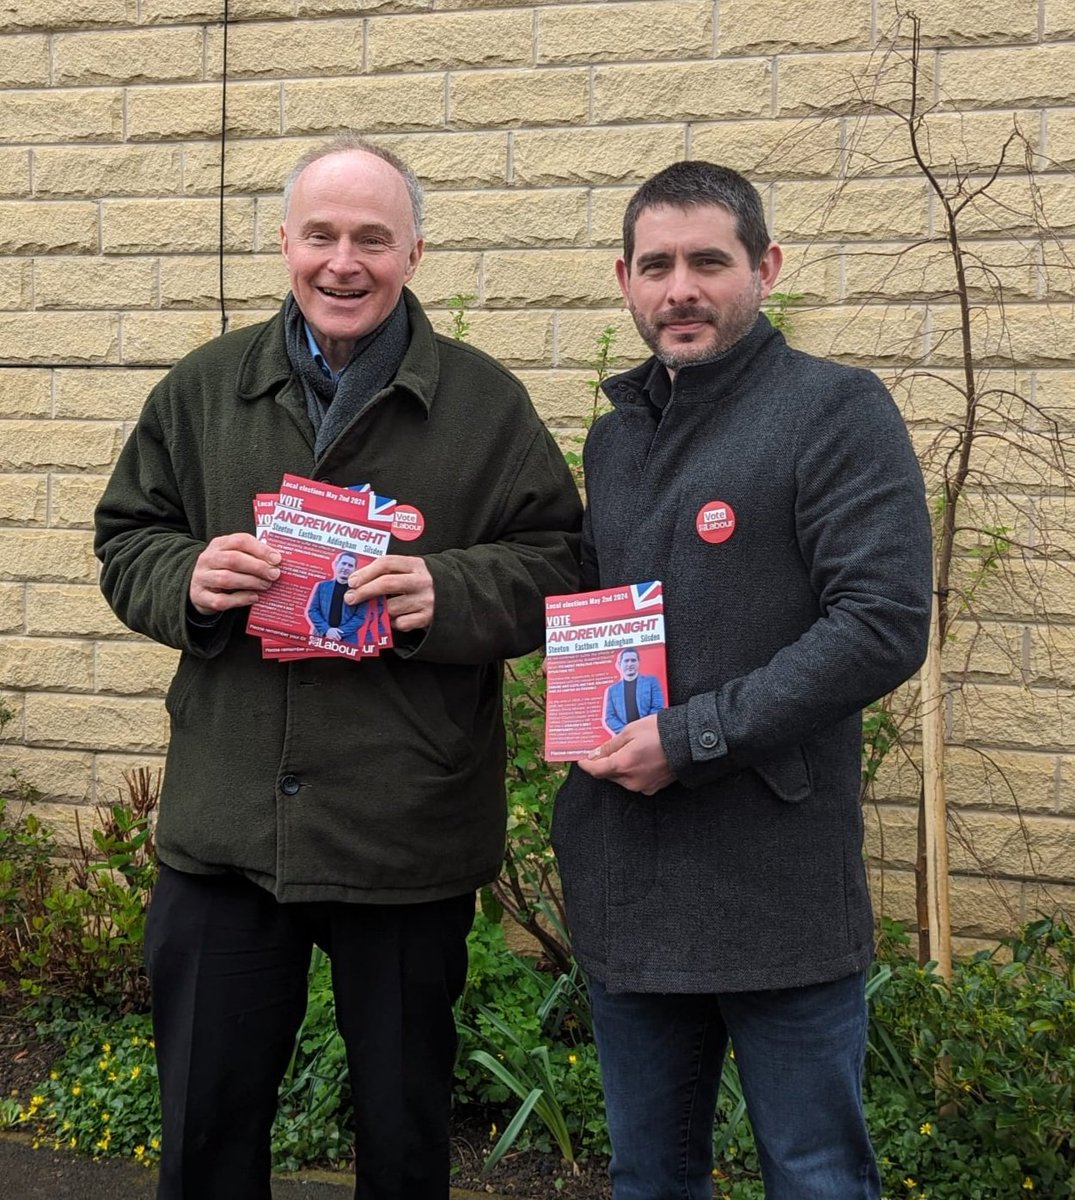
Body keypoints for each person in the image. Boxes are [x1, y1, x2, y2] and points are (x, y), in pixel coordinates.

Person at [94, 134, 581, 1200]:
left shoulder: (484, 405)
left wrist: (442, 593)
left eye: (372, 237)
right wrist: (186, 577)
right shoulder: (204, 388)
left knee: (403, 1146)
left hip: (404, 834)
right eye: (321, 236)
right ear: (285, 244)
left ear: (414, 249)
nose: (343, 262)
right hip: (226, 831)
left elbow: (560, 566)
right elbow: (125, 535)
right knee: (207, 1138)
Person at [551, 161, 933, 1200]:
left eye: (707, 262)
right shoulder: (615, 436)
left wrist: (688, 738)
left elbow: (882, 625)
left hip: (777, 894)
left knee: (812, 1176)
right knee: (649, 1177)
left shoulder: (835, 411)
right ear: (624, 279)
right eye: (657, 265)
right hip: (628, 885)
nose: (681, 288)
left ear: (762, 268)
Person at [306, 550, 366, 645]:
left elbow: (360, 617)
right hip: (320, 637)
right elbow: (313, 611)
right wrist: (327, 630)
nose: (346, 567)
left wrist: (338, 633)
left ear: (355, 569)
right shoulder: (322, 586)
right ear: (337, 564)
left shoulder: (360, 591)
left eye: (350, 565)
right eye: (344, 563)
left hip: (347, 641)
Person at [603, 646, 665, 733]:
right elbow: (610, 717)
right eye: (626, 661)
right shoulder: (612, 690)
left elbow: (658, 707)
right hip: (625, 738)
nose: (630, 664)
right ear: (620, 664)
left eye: (633, 660)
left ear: (638, 662)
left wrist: (643, 728)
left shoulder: (651, 682)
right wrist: (627, 732)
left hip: (649, 733)